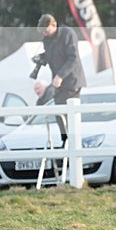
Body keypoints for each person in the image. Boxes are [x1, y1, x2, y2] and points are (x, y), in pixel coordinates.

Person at [35, 14, 87, 147]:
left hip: (72, 82)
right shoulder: (47, 40)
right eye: (43, 32)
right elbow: (51, 56)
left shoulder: (68, 34)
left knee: (68, 114)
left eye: (46, 31)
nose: (45, 34)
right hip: (58, 84)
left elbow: (73, 58)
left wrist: (60, 75)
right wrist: (41, 58)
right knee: (59, 113)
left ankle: (73, 143)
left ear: (53, 25)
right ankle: (66, 142)